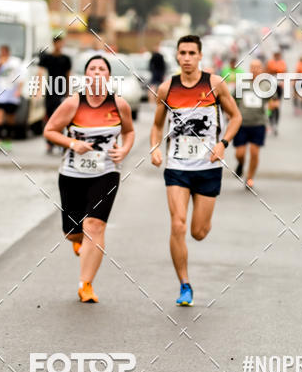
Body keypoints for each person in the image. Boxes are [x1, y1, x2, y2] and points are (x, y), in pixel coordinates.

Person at [150, 34, 242, 306]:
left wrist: (224, 144)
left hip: (208, 167)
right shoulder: (167, 89)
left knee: (197, 232)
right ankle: (185, 285)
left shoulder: (214, 85)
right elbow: (157, 124)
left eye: (192, 53)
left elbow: (235, 117)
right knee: (177, 224)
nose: (187, 58)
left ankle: (203, 221)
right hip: (177, 167)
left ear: (200, 56)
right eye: (183, 53)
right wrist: (155, 147)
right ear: (177, 56)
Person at [44, 55, 134, 303]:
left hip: (106, 172)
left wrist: (124, 150)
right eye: (92, 69)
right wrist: (73, 143)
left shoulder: (119, 104)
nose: (96, 72)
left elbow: (129, 132)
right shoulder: (73, 103)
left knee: (95, 225)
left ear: (108, 76)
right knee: (73, 232)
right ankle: (77, 239)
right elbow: (49, 131)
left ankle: (86, 284)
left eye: (101, 69)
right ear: (86, 76)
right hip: (72, 174)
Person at [234, 59, 270, 190]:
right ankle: (240, 164)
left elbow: (274, 100)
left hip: (258, 123)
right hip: (242, 123)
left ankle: (249, 178)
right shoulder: (242, 84)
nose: (255, 70)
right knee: (240, 153)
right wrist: (231, 114)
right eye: (253, 67)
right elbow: (231, 99)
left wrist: (273, 105)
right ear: (249, 69)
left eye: (258, 67)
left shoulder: (266, 85)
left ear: (262, 69)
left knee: (254, 153)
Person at [38, 34, 72, 154]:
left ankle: (61, 141)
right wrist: (38, 89)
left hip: (61, 91)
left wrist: (68, 92)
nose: (59, 45)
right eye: (57, 43)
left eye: (61, 43)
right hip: (50, 90)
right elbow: (40, 73)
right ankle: (49, 142)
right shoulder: (47, 58)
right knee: (49, 116)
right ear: (54, 43)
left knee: (61, 117)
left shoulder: (66, 59)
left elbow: (68, 75)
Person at [0, 45, 24, 151]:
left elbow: (21, 78)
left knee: (10, 119)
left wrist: (19, 91)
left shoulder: (15, 63)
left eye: (4, 52)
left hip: (12, 95)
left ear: (8, 52)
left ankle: (7, 140)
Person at [266, 50, 287, 134]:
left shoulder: (282, 63)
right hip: (271, 86)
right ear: (274, 55)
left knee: (277, 106)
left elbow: (284, 71)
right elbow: (268, 71)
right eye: (276, 55)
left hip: (279, 87)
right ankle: (271, 123)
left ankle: (276, 124)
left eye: (278, 55)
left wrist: (275, 70)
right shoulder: (270, 62)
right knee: (271, 106)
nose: (277, 56)